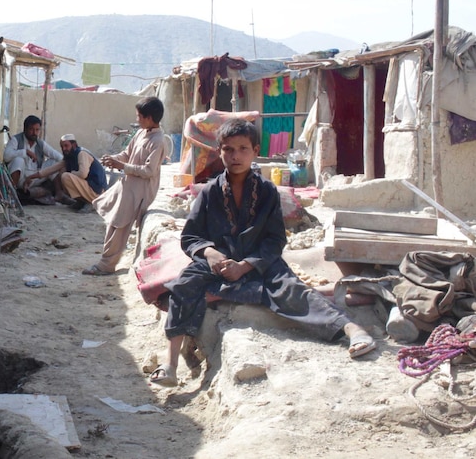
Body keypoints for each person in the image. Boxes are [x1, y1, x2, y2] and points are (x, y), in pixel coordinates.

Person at [149, 119, 376, 386]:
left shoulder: (267, 192)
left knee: (290, 288)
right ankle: (171, 363)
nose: (235, 156)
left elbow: (275, 239)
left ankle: (352, 329)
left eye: (243, 148)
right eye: (228, 149)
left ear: (255, 150)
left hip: (259, 263)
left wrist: (245, 265)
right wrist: (210, 253)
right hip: (217, 265)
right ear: (220, 151)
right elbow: (190, 236)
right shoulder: (209, 192)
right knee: (184, 285)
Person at [83, 96, 167, 275]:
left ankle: (106, 265)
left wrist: (123, 166)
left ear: (149, 118)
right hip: (128, 186)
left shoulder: (158, 141)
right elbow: (127, 153)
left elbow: (148, 171)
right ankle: (105, 261)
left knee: (120, 226)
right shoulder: (141, 133)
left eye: (139, 116)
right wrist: (114, 160)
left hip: (140, 190)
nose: (137, 119)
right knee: (112, 222)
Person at [26, 133, 108, 212]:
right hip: (89, 187)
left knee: (66, 176)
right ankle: (82, 202)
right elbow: (49, 170)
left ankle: (91, 203)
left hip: (97, 191)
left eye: (66, 146)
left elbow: (83, 174)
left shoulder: (82, 153)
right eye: (62, 147)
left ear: (74, 145)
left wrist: (71, 173)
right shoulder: (69, 157)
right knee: (64, 175)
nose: (64, 149)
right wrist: (31, 177)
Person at [3, 115, 65, 204]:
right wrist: (25, 152)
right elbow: (6, 156)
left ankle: (59, 194)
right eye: (31, 129)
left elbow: (58, 156)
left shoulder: (40, 144)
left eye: (37, 130)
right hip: (20, 178)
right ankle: (12, 194)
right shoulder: (16, 140)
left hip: (34, 179)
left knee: (54, 163)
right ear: (25, 129)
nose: (34, 133)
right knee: (18, 160)